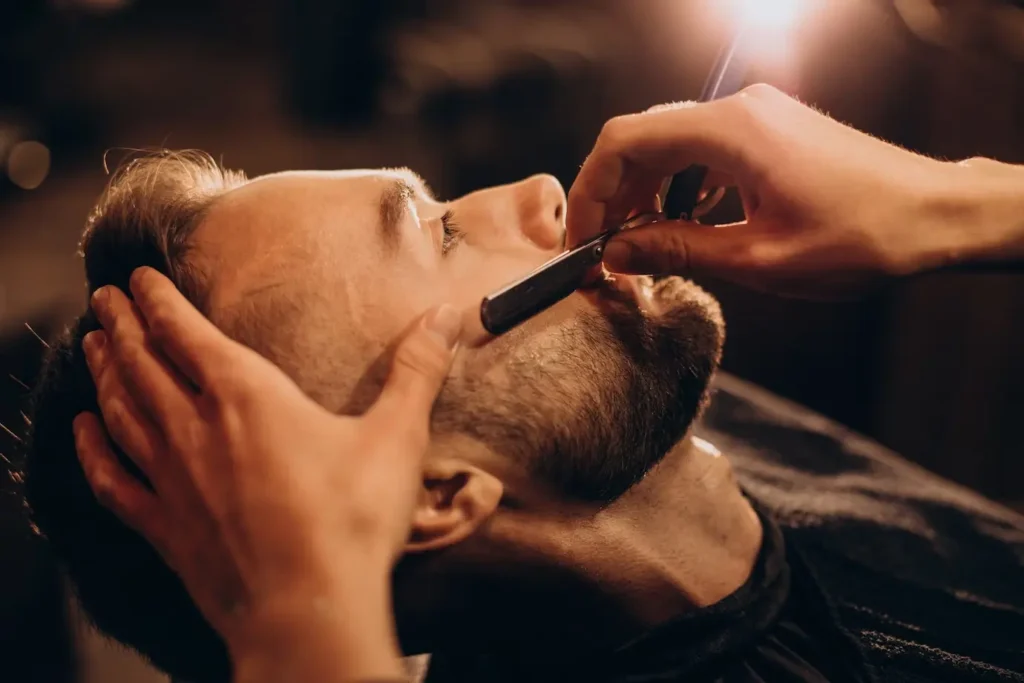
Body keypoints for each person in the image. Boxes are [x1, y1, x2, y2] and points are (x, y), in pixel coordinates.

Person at [23, 85, 1024, 683]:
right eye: (441, 234)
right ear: (432, 493)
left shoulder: (641, 415)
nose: (539, 193)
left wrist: (955, 204)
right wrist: (306, 618)